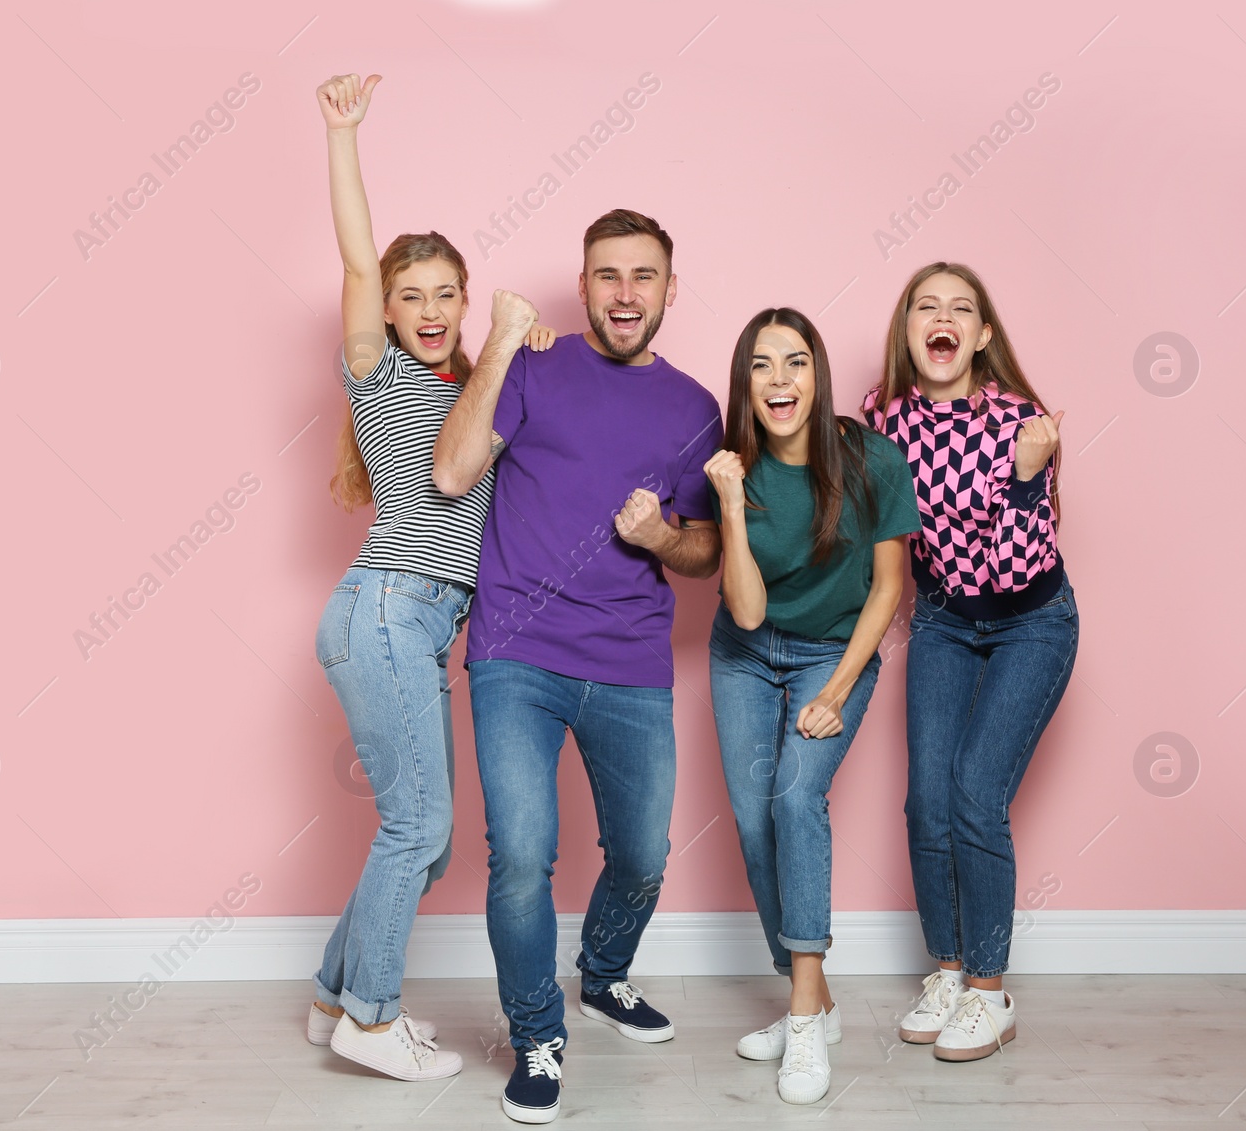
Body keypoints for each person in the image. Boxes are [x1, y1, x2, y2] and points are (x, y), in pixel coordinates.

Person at [431, 209, 723, 1124]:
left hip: (632, 660)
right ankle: (536, 1032)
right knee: (521, 853)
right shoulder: (531, 367)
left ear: (671, 290)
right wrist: (502, 341)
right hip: (516, 651)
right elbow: (450, 471)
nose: (625, 293)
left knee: (641, 854)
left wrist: (662, 534)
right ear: (584, 282)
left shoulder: (694, 407)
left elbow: (706, 550)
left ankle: (603, 973)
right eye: (607, 275)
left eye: (643, 276)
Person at [309, 71, 553, 1082]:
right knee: (420, 827)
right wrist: (344, 137)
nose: (427, 308)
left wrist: (519, 345)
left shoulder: (476, 392)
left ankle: (335, 991)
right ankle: (370, 1020)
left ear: (465, 300)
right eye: (411, 297)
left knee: (428, 838)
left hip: (417, 625)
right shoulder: (382, 371)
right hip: (386, 609)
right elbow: (358, 263)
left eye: (445, 293)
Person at [704, 308, 919, 1103]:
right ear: (745, 382)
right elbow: (749, 613)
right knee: (753, 816)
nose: (781, 380)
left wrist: (834, 691)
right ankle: (816, 998)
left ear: (819, 374)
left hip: (836, 650)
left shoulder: (871, 458)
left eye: (796, 363)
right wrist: (728, 505)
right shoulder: (735, 469)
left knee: (797, 795)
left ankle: (802, 1017)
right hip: (744, 651)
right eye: (762, 366)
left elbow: (891, 588)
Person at [864, 262, 1077, 1062]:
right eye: (928, 306)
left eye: (962, 309)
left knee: (975, 792)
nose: (943, 318)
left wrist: (1026, 478)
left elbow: (1020, 569)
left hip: (1031, 620)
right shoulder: (882, 422)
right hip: (946, 621)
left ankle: (991, 991)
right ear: (909, 329)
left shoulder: (1022, 421)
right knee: (926, 800)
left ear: (982, 335)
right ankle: (949, 972)